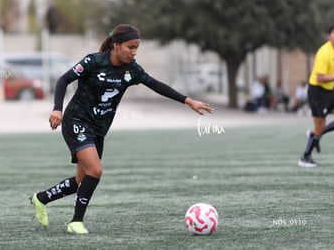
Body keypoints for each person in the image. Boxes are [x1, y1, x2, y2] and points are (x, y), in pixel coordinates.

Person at [30, 24, 214, 234]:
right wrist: (57, 110)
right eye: (130, 47)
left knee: (82, 180)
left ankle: (41, 198)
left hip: (99, 128)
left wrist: (188, 101)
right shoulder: (94, 61)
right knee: (96, 171)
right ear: (116, 45)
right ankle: (75, 222)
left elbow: (156, 85)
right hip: (76, 121)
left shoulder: (131, 70)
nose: (134, 52)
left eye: (137, 47)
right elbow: (64, 80)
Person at [299, 23, 334, 167]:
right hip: (318, 92)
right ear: (329, 36)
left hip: (331, 90)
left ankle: (313, 135)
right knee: (319, 126)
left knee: (319, 129)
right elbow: (320, 78)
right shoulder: (324, 52)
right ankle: (304, 158)